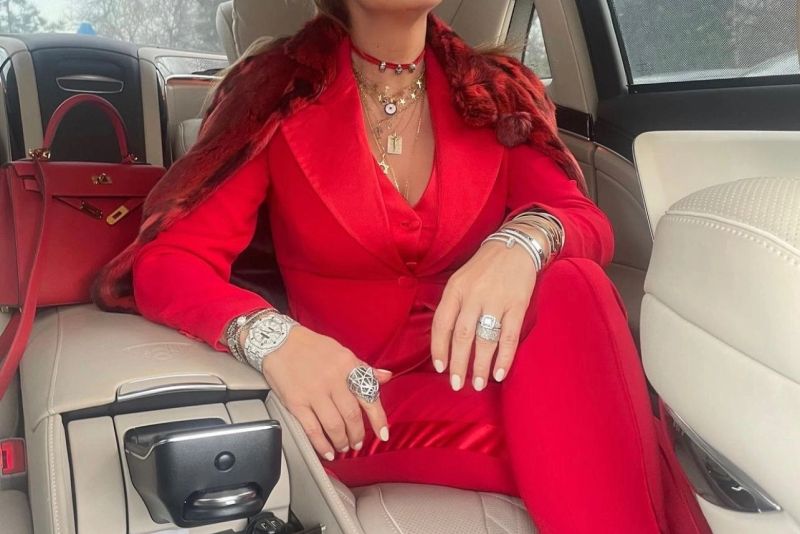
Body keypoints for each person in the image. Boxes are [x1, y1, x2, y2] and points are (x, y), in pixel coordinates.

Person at [93, 1, 711, 532]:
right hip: (362, 398)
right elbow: (168, 261)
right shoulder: (276, 93)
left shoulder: (493, 91)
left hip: (483, 369)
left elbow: (581, 218)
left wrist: (517, 244)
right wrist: (275, 339)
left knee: (577, 283)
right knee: (605, 434)